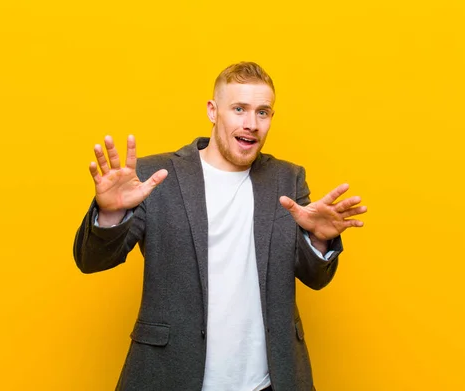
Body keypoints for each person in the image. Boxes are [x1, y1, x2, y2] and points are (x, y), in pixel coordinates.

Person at [73, 62, 367, 391]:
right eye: (239, 109)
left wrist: (319, 241)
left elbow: (315, 278)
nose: (251, 124)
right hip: (173, 377)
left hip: (268, 382)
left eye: (263, 112)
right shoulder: (155, 175)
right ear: (213, 111)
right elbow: (92, 260)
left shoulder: (288, 179)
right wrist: (110, 214)